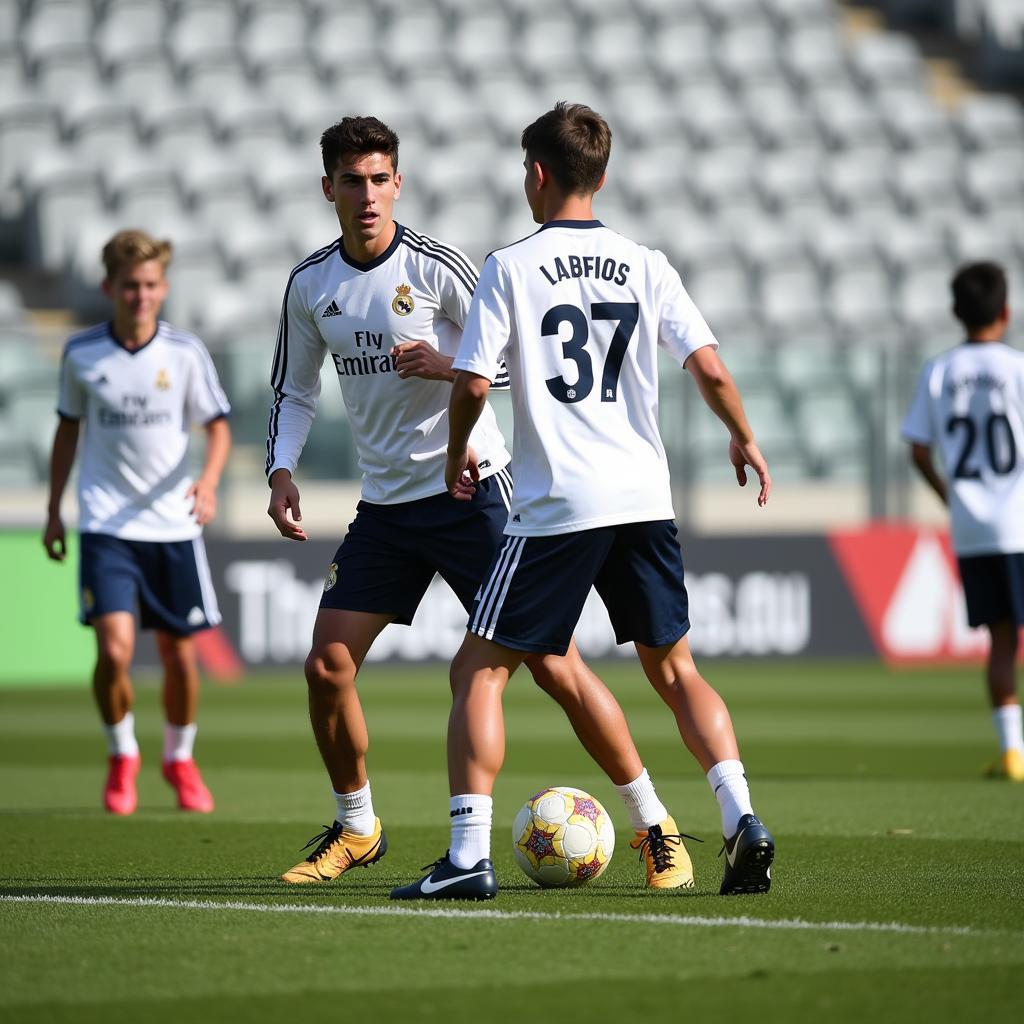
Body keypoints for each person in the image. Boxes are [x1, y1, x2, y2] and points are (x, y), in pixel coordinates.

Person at [266, 116, 693, 890]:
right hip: (389, 508)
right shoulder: (310, 285)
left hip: (474, 493)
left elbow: (515, 367)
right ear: (326, 187)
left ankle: (655, 823)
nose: (367, 195)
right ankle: (358, 826)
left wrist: (444, 368)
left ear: (399, 182)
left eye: (379, 179)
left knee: (554, 667)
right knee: (327, 667)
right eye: (351, 181)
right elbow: (293, 391)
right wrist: (281, 470)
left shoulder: (438, 268)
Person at [391, 102, 776, 902]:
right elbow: (708, 369)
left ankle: (467, 855)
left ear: (537, 173)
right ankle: (740, 819)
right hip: (643, 495)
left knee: (479, 671)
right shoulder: (647, 262)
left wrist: (462, 444)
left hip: (558, 505)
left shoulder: (510, 265)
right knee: (676, 670)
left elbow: (469, 380)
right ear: (602, 174)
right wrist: (742, 435)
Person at [44, 229, 232, 815]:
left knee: (180, 657)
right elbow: (67, 429)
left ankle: (179, 760)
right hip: (106, 524)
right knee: (117, 650)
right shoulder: (82, 354)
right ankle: (122, 753)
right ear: (109, 287)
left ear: (164, 288)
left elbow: (218, 425)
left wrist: (208, 482)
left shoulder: (184, 353)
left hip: (173, 526)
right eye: (130, 285)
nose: (141, 295)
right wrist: (54, 510)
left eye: (151, 284)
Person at [902, 261, 1024, 782]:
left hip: (975, 529)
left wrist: (951, 497)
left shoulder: (939, 371)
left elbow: (918, 448)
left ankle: (1012, 753)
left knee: (1001, 640)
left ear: (956, 312)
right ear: (1006, 310)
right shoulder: (1019, 368)